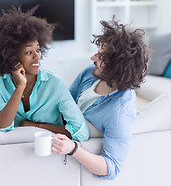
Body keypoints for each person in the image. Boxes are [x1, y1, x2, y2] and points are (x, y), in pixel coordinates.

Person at [51, 16, 149, 180]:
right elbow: (65, 103)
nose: (93, 59)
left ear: (118, 66)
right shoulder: (90, 73)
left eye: (101, 57)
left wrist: (73, 149)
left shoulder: (120, 110)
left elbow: (111, 167)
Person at [0, 5, 89, 141]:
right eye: (28, 52)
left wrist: (36, 126)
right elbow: (0, 127)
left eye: (38, 50)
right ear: (11, 56)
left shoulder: (54, 83)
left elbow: (81, 132)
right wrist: (20, 86)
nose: (37, 56)